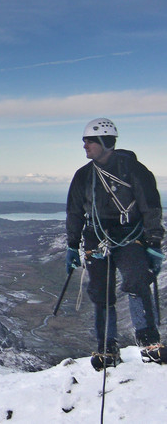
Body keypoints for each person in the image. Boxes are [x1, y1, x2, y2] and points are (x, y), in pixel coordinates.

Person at [65, 117, 165, 369]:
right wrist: (71, 244)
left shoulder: (134, 170)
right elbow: (75, 212)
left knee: (136, 282)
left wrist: (154, 242)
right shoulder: (83, 175)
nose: (84, 145)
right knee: (101, 292)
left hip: (130, 237)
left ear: (104, 142)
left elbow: (150, 207)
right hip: (96, 238)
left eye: (89, 141)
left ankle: (149, 342)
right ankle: (106, 348)